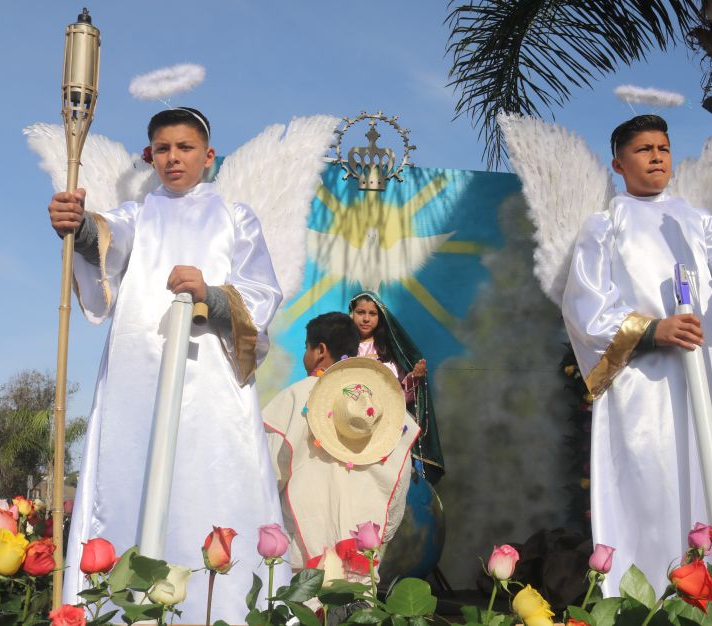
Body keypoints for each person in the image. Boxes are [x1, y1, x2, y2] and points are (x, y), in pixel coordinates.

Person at [48, 107, 289, 622]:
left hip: (211, 384)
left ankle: (220, 609)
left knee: (211, 484)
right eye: (162, 149)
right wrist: (79, 226)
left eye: (184, 147)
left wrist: (213, 296)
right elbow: (108, 240)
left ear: (209, 155)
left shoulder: (235, 218)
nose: (173, 158)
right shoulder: (139, 215)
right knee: (130, 480)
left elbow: (263, 293)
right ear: (148, 156)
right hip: (137, 380)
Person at [562, 115, 712, 597]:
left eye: (664, 148)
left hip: (709, 376)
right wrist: (654, 330)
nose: (657, 156)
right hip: (644, 387)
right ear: (618, 163)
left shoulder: (694, 221)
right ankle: (657, 600)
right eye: (643, 149)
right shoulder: (604, 227)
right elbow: (585, 310)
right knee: (655, 490)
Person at [263, 312, 419, 582]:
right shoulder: (388, 411)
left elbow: (265, 480)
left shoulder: (294, 398)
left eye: (306, 348)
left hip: (302, 557)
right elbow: (397, 490)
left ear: (320, 351)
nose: (306, 355)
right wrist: (376, 539)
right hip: (362, 562)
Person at [348, 292, 444, 483]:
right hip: (351, 425)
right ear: (352, 313)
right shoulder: (343, 348)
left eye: (372, 314)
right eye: (360, 312)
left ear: (380, 317)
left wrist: (414, 378)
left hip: (387, 427)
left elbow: (400, 395)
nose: (366, 318)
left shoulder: (389, 350)